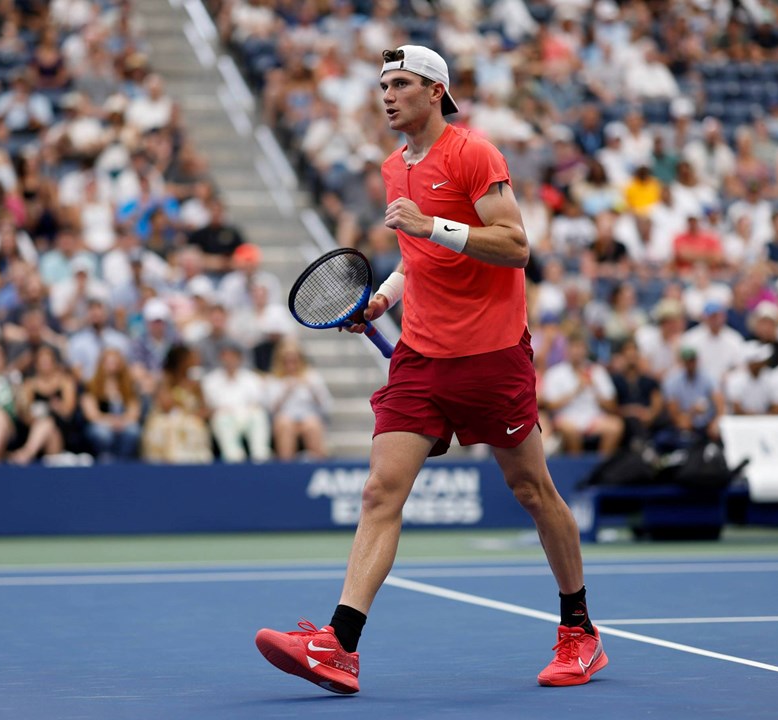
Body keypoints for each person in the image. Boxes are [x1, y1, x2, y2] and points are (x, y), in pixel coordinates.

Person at [256, 46, 607, 694]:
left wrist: (434, 225)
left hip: (492, 355)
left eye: (403, 84)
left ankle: (579, 630)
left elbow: (516, 247)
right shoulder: (395, 167)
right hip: (420, 356)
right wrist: (387, 295)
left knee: (533, 492)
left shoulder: (475, 154)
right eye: (383, 84)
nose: (388, 95)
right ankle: (339, 644)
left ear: (436, 92)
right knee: (378, 493)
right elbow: (416, 258)